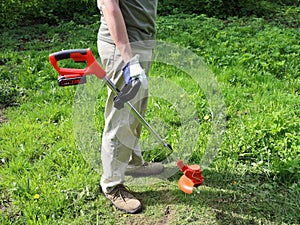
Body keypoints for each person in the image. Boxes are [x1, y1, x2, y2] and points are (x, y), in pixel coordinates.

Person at [97, 0, 164, 214]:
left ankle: (133, 162)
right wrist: (128, 60)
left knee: (136, 110)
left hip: (141, 43)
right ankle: (112, 184)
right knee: (121, 116)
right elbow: (110, 7)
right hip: (123, 48)